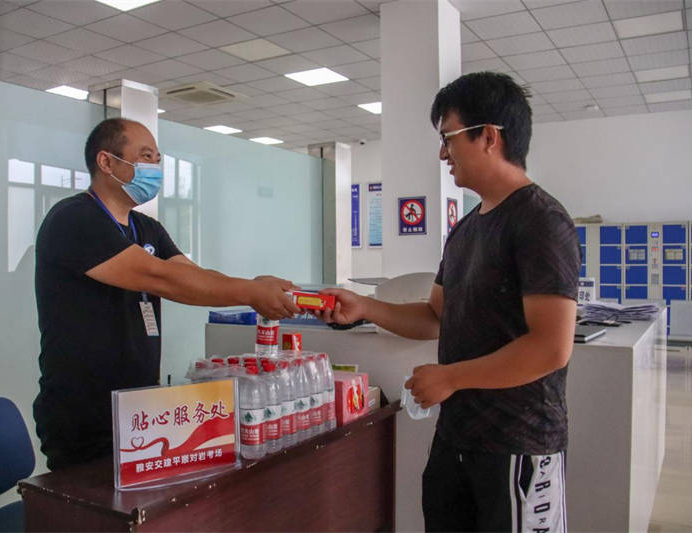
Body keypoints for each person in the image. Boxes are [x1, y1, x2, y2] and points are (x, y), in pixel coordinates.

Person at [317, 72, 580, 532]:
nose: (443, 154)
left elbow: (550, 347)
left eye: (448, 138)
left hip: (518, 445)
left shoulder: (541, 222)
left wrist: (451, 377)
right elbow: (436, 316)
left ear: (489, 137)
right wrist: (366, 307)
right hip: (457, 438)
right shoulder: (466, 230)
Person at [33, 118, 300, 470]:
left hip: (140, 409)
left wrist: (254, 285)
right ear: (106, 162)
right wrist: (250, 292)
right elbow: (161, 278)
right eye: (146, 157)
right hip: (84, 416)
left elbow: (193, 276)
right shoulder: (74, 218)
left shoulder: (146, 228)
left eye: (158, 160)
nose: (155, 168)